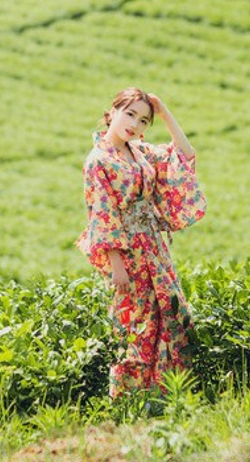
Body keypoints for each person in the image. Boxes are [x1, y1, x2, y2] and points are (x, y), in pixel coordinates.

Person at [76, 87, 206, 397]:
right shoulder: (98, 160)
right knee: (138, 326)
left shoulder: (140, 151)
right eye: (130, 114)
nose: (135, 125)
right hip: (127, 255)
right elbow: (102, 214)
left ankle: (167, 392)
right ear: (114, 111)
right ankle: (130, 399)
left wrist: (164, 112)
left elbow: (184, 154)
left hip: (154, 249)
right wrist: (117, 267)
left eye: (144, 121)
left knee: (173, 315)